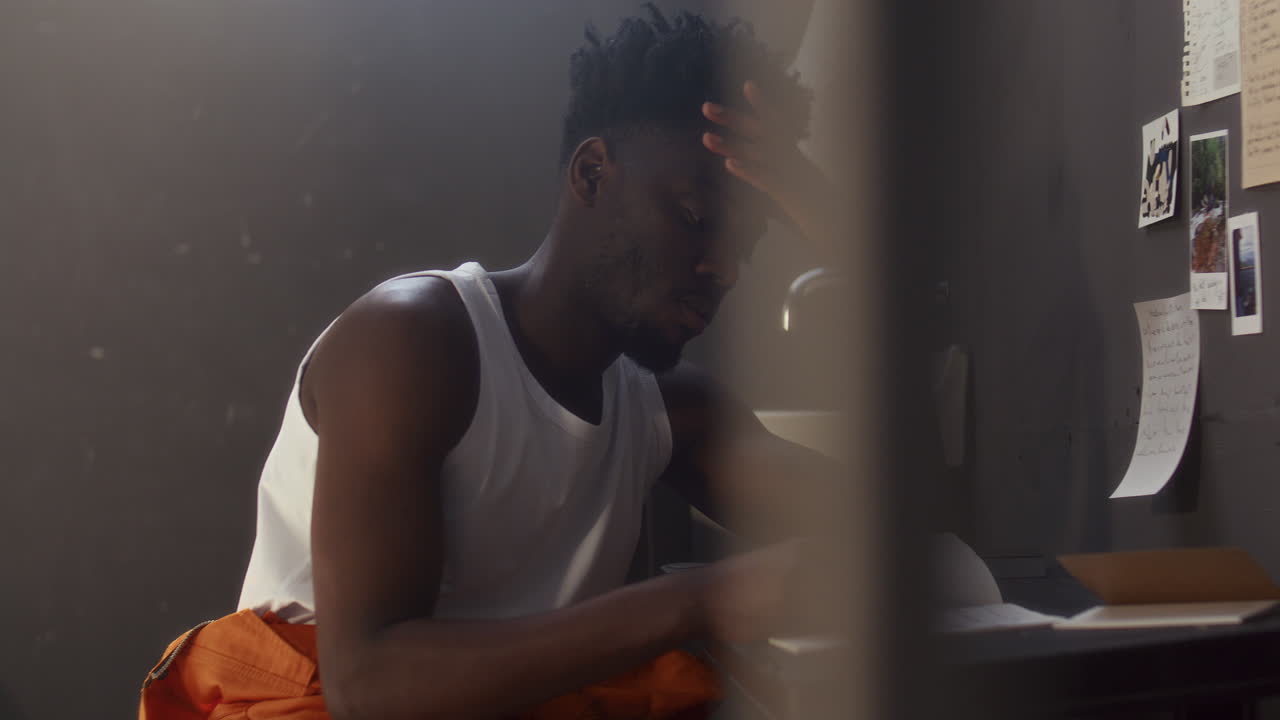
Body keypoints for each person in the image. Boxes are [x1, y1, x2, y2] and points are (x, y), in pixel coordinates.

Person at [139, 6, 843, 719]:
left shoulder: (668, 411)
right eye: (697, 218)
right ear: (593, 173)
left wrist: (840, 226)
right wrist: (701, 600)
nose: (722, 267)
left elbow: (896, 521)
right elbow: (369, 685)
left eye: (746, 244)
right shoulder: (410, 343)